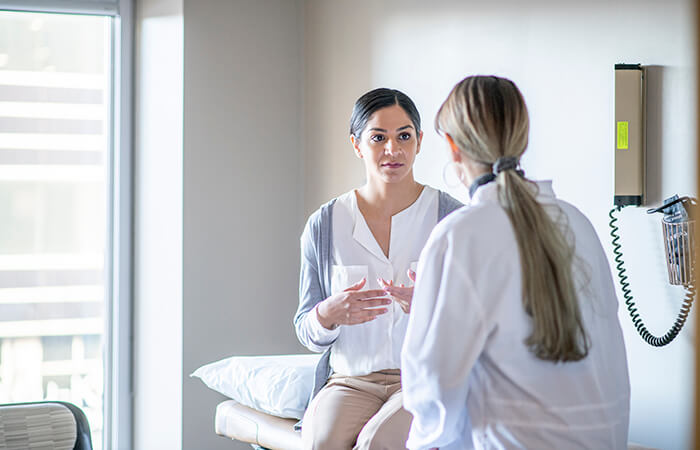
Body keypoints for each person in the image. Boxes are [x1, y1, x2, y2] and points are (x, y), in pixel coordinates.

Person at [401, 76, 630, 450]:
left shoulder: (460, 235)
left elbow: (431, 391)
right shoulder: (576, 222)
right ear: (521, 138)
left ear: (452, 147)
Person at [294, 88, 462, 450]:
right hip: (350, 380)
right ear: (357, 144)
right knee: (320, 442)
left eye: (404, 136)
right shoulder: (324, 225)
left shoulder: (451, 218)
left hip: (422, 379)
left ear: (419, 141)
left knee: (375, 443)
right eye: (378, 138)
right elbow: (305, 329)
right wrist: (326, 314)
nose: (393, 149)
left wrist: (431, 307)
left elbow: (477, 322)